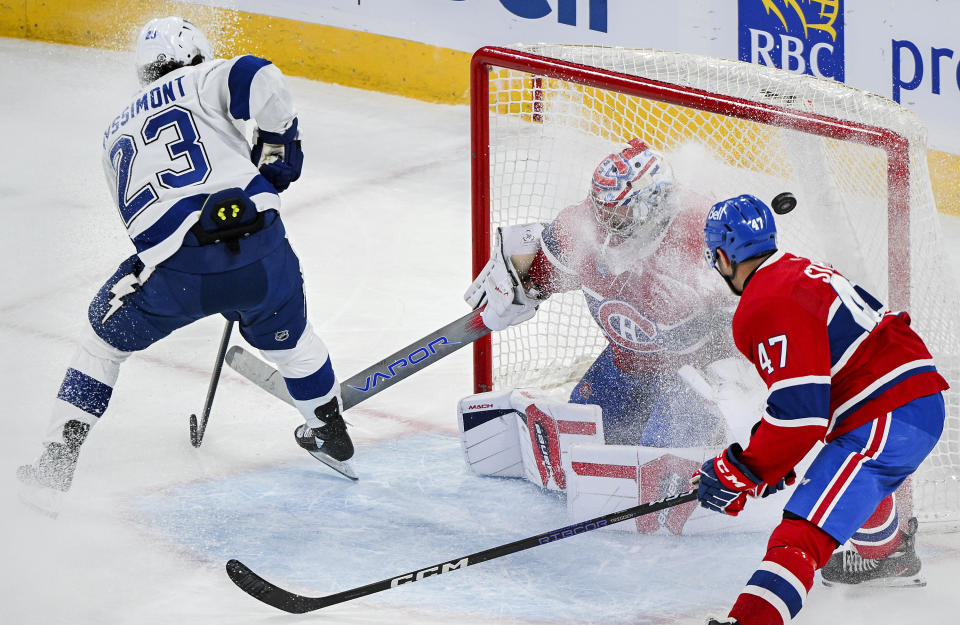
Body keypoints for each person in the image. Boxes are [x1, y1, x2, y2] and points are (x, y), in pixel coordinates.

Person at [17, 16, 356, 510]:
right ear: (196, 51)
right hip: (262, 252)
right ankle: (329, 430)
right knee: (295, 342)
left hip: (180, 272)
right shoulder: (203, 77)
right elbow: (260, 76)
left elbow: (142, 223)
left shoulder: (112, 135)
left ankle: (57, 457)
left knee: (102, 341)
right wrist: (280, 144)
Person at [696, 194, 948, 625]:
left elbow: (800, 416)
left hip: (888, 410)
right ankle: (888, 558)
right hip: (907, 402)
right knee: (851, 476)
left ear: (721, 255)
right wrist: (769, 464)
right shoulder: (797, 271)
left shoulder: (762, 301)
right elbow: (809, 399)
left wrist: (746, 468)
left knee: (799, 535)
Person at [465, 138, 737, 448]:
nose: (602, 227)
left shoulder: (706, 234)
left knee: (660, 467)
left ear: (651, 209)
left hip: (695, 377)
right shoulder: (583, 227)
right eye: (601, 211)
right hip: (626, 363)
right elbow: (537, 269)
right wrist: (517, 284)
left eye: (616, 218)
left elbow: (755, 315)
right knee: (576, 449)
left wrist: (736, 379)